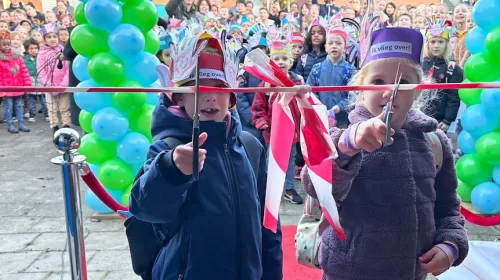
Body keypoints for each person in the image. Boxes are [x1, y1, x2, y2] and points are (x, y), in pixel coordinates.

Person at [302, 24, 469, 279]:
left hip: (412, 273)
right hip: (347, 272)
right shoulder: (341, 137)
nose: (390, 91)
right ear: (359, 87)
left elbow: (448, 206)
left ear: (418, 90)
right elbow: (315, 185)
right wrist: (349, 144)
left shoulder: (434, 143)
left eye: (402, 83)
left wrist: (451, 245)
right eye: (378, 81)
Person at [129, 31, 283, 280]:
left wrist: (272, 273)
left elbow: (269, 223)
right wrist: (171, 170)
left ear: (232, 97)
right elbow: (146, 209)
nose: (210, 96)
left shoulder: (250, 146)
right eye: (198, 88)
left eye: (220, 88)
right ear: (179, 96)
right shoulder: (167, 148)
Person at [252, 40, 305, 204]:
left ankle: (289, 188)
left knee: (290, 160)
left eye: (284, 58)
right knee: (272, 161)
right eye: (277, 59)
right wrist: (263, 123)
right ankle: (271, 189)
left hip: (292, 131)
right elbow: (257, 106)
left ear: (291, 61)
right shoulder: (266, 83)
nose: (281, 62)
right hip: (273, 131)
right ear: (271, 62)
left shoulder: (298, 82)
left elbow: (305, 105)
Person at [306, 26, 356, 128]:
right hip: (320, 118)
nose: (334, 46)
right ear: (325, 47)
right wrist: (319, 106)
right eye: (330, 43)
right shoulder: (317, 68)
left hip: (343, 120)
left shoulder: (350, 70)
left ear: (345, 48)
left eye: (338, 43)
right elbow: (310, 92)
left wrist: (339, 107)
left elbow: (354, 95)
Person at [422, 19, 463, 134]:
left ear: (446, 44)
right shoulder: (420, 65)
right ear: (427, 43)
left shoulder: (453, 69)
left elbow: (453, 97)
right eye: (433, 42)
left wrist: (447, 120)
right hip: (419, 115)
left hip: (439, 121)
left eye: (441, 42)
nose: (436, 46)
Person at [37, 23, 70, 132]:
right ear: (44, 39)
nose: (52, 39)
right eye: (49, 37)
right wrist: (48, 85)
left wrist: (63, 85)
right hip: (49, 87)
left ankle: (66, 126)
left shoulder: (63, 51)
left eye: (54, 36)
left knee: (64, 108)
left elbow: (67, 69)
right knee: (52, 108)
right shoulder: (42, 53)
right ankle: (54, 126)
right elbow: (41, 71)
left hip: (63, 86)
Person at [0, 32, 32, 133]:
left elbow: (24, 71)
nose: (6, 47)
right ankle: (10, 124)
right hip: (7, 88)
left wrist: (27, 85)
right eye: (4, 45)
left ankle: (21, 123)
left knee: (19, 105)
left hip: (18, 86)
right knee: (8, 107)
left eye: (8, 44)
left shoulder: (17, 57)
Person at [24, 38, 49, 123]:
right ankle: (32, 115)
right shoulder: (24, 59)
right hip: (30, 81)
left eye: (35, 48)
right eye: (31, 48)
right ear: (27, 50)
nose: (34, 50)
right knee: (31, 101)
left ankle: (47, 114)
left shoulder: (41, 58)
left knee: (44, 100)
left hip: (40, 81)